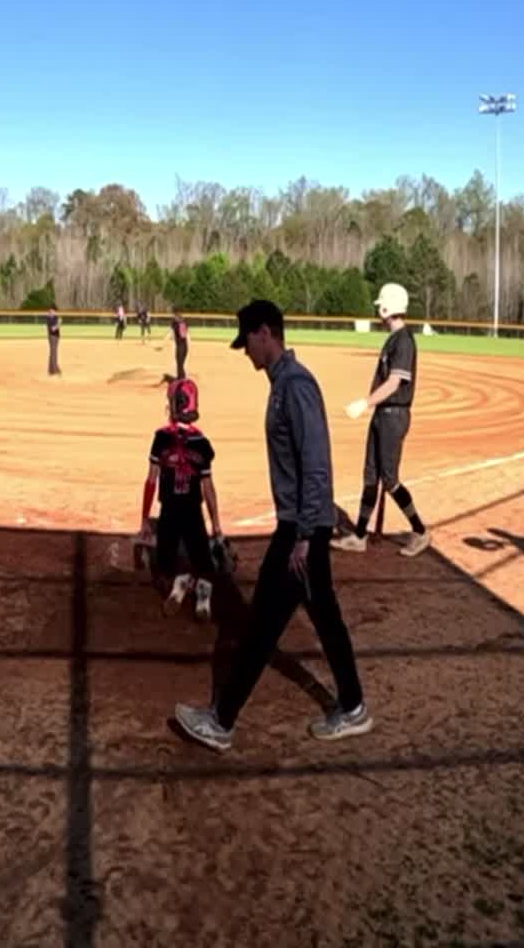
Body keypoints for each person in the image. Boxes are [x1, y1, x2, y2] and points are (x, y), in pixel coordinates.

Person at [173, 299, 372, 751]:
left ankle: (222, 721)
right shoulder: (282, 384)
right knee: (321, 618)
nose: (246, 352)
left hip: (301, 529)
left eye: (248, 342)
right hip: (305, 526)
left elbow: (316, 464)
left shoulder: (296, 386)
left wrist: (303, 536)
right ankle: (354, 706)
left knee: (261, 625)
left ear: (266, 333)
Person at [333, 282, 431, 557]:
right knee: (370, 476)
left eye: (381, 305)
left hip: (394, 415)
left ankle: (420, 531)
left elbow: (394, 382)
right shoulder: (392, 339)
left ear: (389, 307)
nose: (378, 309)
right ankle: (360, 536)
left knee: (389, 479)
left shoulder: (403, 341)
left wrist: (365, 403)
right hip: (382, 415)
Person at [140, 377, 224, 621]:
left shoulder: (161, 438)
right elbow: (208, 488)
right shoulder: (203, 444)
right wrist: (216, 525)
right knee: (207, 564)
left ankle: (179, 581)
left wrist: (145, 519)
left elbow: (151, 481)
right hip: (192, 514)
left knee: (162, 568)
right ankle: (202, 595)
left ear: (176, 406)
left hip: (168, 513)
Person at [168, 306, 191, 379]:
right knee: (180, 365)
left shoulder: (175, 321)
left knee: (179, 365)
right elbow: (185, 334)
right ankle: (181, 378)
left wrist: (162, 344)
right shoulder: (184, 320)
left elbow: (171, 333)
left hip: (180, 346)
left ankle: (182, 380)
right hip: (185, 346)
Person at [46, 305, 63, 376]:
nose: (52, 312)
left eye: (53, 311)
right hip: (52, 337)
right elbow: (53, 329)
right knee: (53, 353)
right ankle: (55, 369)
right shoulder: (49, 319)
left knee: (53, 353)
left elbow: (57, 327)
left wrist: (59, 323)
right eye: (51, 311)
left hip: (56, 337)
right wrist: (59, 323)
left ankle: (51, 370)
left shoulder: (56, 317)